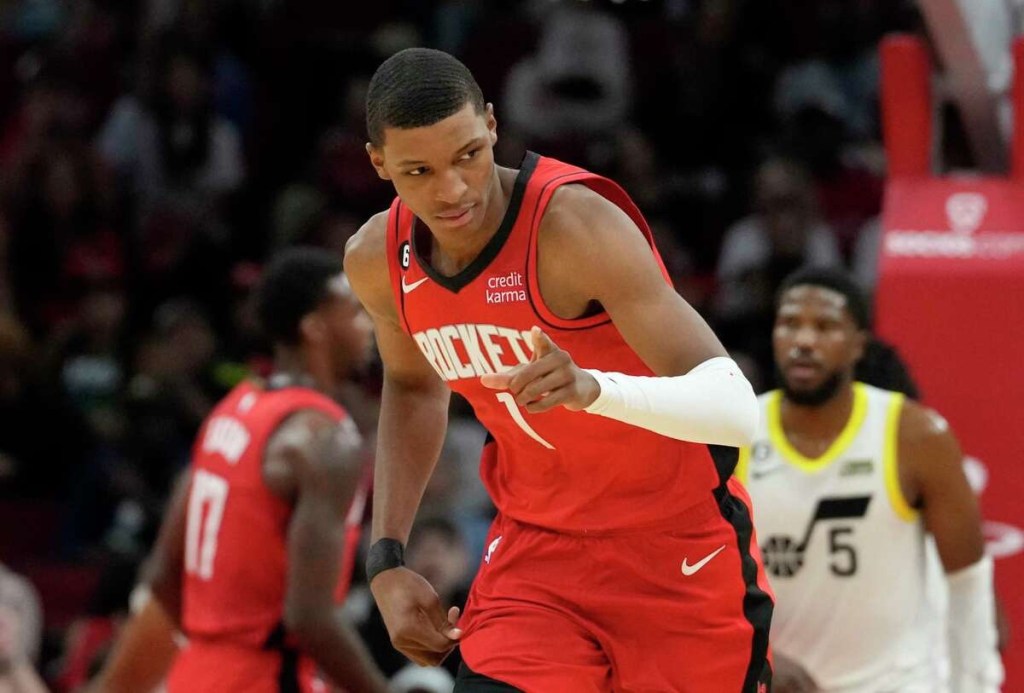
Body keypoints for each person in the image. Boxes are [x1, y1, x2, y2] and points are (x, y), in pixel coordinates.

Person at [344, 47, 772, 692]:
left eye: (467, 154)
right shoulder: (377, 258)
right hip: (537, 557)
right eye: (419, 170)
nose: (452, 189)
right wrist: (386, 557)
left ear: (492, 125)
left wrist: (596, 389)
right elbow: (411, 385)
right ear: (379, 163)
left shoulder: (574, 227)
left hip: (677, 548)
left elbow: (737, 409)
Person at [88, 247, 388, 693]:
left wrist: (219, 640)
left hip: (197, 673)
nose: (369, 325)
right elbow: (310, 618)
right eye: (356, 312)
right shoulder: (325, 441)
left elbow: (163, 576)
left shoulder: (231, 411)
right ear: (315, 327)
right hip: (265, 677)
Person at [735, 266, 1004, 692]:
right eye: (789, 324)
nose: (804, 340)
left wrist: (976, 684)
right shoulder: (739, 432)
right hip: (780, 680)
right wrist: (759, 650)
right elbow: (705, 577)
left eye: (824, 327)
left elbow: (967, 582)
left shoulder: (915, 435)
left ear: (858, 343)